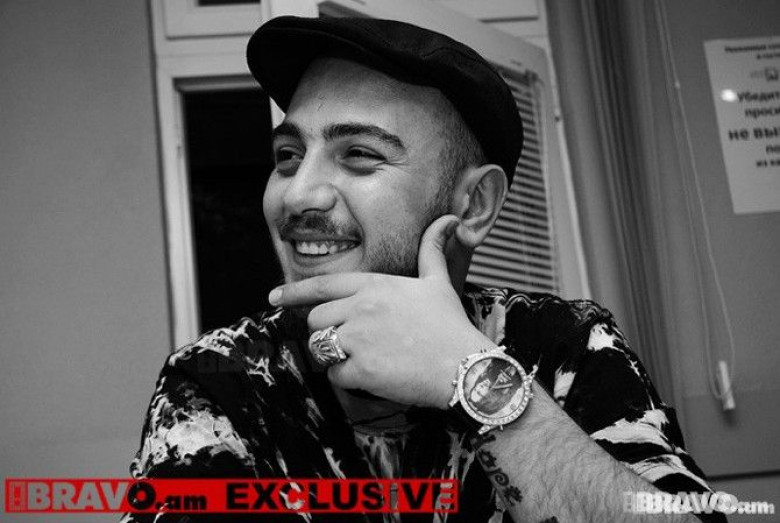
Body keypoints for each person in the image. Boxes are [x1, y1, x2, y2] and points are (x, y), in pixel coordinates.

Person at [122, 16, 726, 523]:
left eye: (359, 155)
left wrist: (475, 379)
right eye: (288, 155)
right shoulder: (221, 379)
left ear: (474, 205)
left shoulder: (566, 346)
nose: (298, 193)